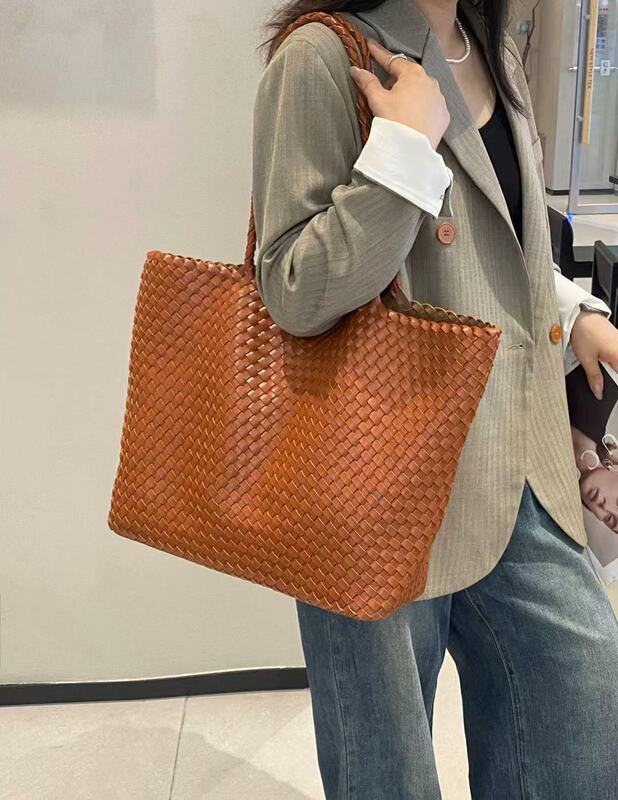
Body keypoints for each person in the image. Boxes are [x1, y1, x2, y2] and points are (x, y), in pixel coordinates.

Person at [251, 1, 618, 797]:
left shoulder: (493, 49)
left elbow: (494, 236)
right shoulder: (321, 56)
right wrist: (403, 150)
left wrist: (572, 310)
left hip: (516, 467)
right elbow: (294, 291)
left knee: (583, 717)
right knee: (390, 776)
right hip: (374, 487)